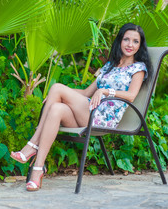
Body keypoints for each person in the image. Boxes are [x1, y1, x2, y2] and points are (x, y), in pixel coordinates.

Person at [10, 23, 152, 191]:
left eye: (135, 41)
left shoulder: (138, 68)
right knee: (55, 108)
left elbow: (131, 96)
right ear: (119, 41)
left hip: (103, 119)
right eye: (126, 39)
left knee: (57, 88)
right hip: (88, 111)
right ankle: (38, 169)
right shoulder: (109, 66)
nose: (130, 44)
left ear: (140, 45)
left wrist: (106, 91)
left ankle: (32, 145)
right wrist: (56, 95)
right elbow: (85, 93)